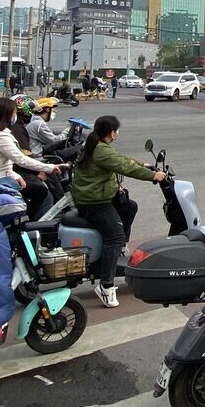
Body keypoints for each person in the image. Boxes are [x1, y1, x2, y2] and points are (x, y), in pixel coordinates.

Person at [71, 115, 166, 308]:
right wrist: (152, 175)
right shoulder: (101, 150)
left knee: (129, 207)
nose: (118, 133)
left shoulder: (96, 144)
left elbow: (121, 160)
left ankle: (121, 246)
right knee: (113, 238)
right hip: (94, 202)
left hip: (92, 197)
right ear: (111, 132)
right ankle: (106, 286)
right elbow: (123, 167)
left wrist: (143, 164)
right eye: (117, 130)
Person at [0, 97, 65, 219]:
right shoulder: (1, 136)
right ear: (6, 115)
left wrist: (16, 176)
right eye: (13, 113)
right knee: (41, 191)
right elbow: (21, 159)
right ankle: (28, 222)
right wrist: (50, 167)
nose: (14, 116)